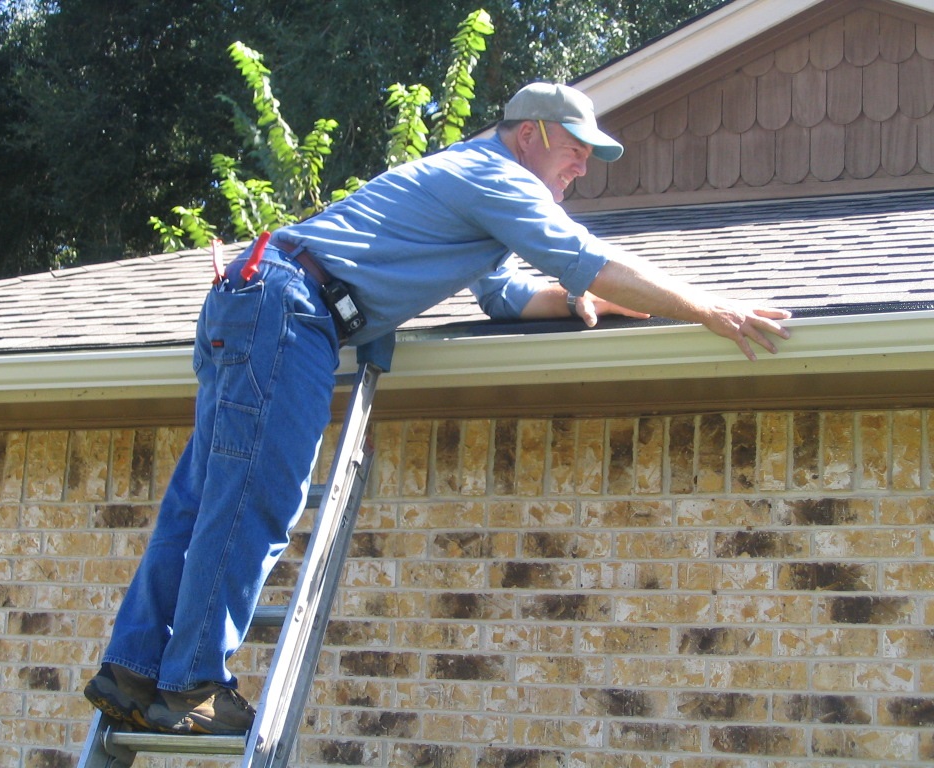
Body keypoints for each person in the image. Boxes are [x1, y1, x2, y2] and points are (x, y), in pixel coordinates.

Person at [84, 82, 791, 735]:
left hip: (254, 296)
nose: (583, 167)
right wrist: (710, 308)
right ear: (531, 132)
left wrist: (592, 301)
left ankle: (132, 673)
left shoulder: (471, 186)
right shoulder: (496, 176)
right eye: (576, 150)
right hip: (288, 312)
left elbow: (511, 297)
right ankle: (194, 689)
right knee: (253, 504)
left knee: (202, 499)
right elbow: (583, 255)